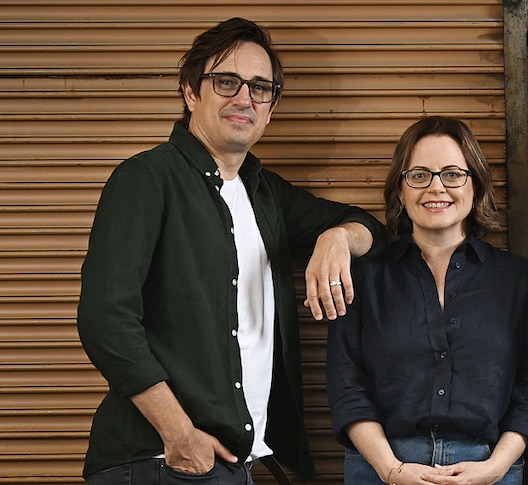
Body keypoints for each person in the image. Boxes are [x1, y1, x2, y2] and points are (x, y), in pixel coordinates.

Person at [76, 17, 387, 484]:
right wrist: (179, 434)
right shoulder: (146, 180)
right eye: (226, 82)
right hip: (159, 460)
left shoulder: (266, 195)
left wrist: (336, 237)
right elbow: (105, 319)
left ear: (271, 106)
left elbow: (373, 231)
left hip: (232, 464)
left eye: (260, 87)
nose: (244, 97)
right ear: (190, 91)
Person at [326, 116, 528, 485]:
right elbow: (346, 383)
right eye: (419, 175)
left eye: (452, 174)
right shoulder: (365, 277)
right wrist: (390, 469)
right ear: (401, 189)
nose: (436, 187)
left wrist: (495, 468)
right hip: (381, 468)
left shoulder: (515, 278)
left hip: (489, 469)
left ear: (475, 185)